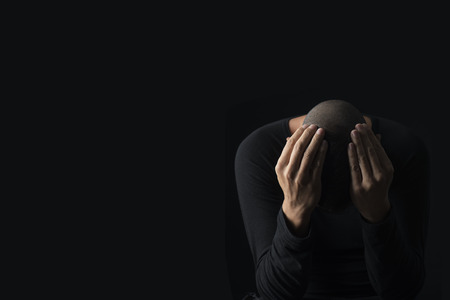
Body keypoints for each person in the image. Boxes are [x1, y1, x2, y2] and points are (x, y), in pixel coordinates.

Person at [234, 100, 429, 300]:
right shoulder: (260, 151)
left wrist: (377, 213)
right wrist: (295, 211)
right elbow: (276, 295)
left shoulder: (403, 148)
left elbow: (403, 290)